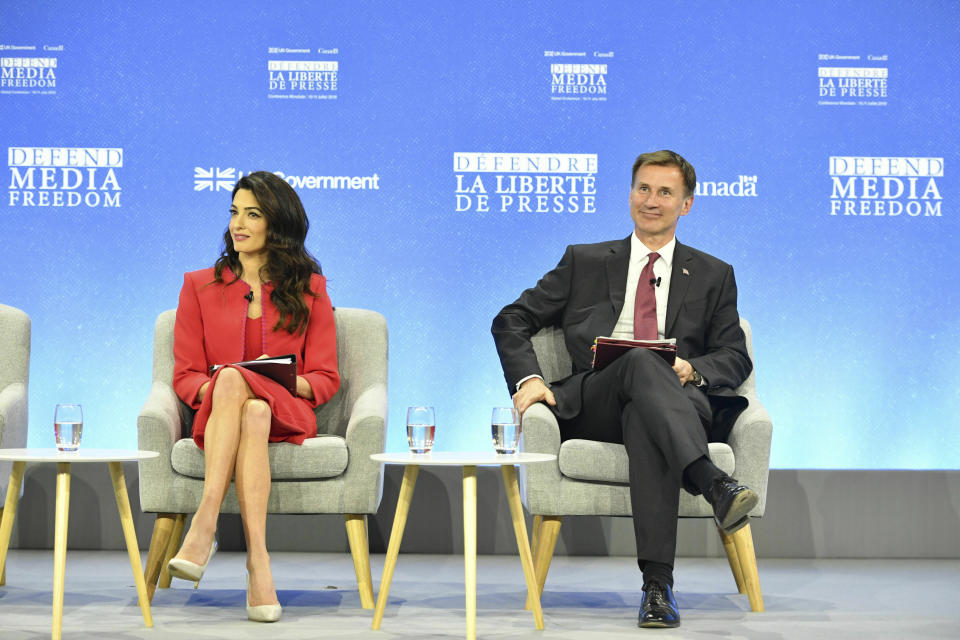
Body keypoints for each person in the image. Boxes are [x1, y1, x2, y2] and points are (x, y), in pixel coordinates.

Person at [491, 150, 757, 629]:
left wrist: (690, 369)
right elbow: (511, 319)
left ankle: (657, 587)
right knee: (636, 359)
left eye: (665, 192)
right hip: (598, 400)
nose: (650, 201)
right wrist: (529, 379)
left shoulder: (715, 274)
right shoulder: (585, 261)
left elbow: (735, 356)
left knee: (646, 414)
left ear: (687, 205)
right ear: (631, 194)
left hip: (675, 405)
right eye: (643, 189)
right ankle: (709, 480)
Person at [168, 171, 340, 622]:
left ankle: (205, 526)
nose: (237, 224)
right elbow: (185, 377)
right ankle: (258, 563)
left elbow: (324, 379)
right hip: (222, 413)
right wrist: (230, 388)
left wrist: (271, 377)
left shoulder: (311, 290)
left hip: (290, 411)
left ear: (276, 224)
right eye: (233, 212)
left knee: (244, 388)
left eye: (252, 214)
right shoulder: (198, 286)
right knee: (247, 405)